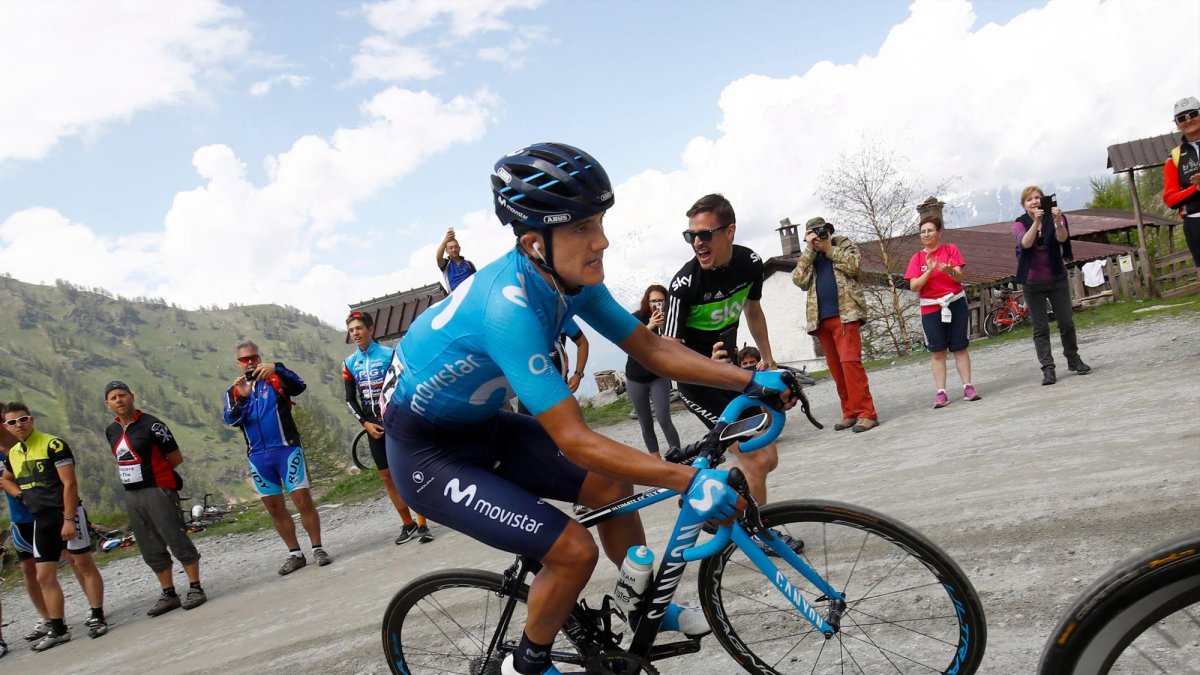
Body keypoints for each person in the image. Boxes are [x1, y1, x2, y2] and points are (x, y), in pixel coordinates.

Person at [382, 142, 798, 675]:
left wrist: (752, 377)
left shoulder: (566, 280)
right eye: (581, 228)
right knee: (573, 550)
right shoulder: (507, 308)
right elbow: (574, 438)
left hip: (481, 428)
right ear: (535, 243)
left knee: (609, 483)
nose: (601, 240)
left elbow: (651, 349)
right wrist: (685, 480)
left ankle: (639, 604)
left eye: (599, 221)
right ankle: (524, 665)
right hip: (429, 456)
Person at [665, 193, 787, 511]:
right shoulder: (684, 284)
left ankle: (715, 498)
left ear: (729, 231)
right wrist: (706, 364)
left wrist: (768, 360)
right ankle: (757, 531)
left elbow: (754, 311)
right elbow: (668, 354)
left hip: (731, 377)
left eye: (704, 234)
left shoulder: (750, 264)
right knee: (756, 459)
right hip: (698, 384)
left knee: (767, 456)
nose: (696, 243)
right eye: (690, 236)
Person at [0, 402, 108, 650]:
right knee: (44, 575)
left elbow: (69, 484)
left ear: (32, 419)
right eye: (12, 422)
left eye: (23, 419)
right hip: (41, 520)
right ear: (6, 425)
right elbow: (6, 479)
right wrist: (20, 497)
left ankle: (97, 615)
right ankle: (58, 628)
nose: (19, 425)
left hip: (66, 513)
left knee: (82, 564)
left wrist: (69, 519)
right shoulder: (14, 454)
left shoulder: (53, 444)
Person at [223, 341, 331, 574]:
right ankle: (295, 554)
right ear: (238, 363)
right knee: (275, 508)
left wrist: (278, 368)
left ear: (259, 357)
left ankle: (318, 548)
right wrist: (242, 398)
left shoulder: (274, 378)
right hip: (259, 458)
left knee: (303, 501)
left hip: (286, 450)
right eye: (244, 359)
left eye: (253, 357)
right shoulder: (233, 390)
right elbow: (231, 419)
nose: (249, 361)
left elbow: (300, 385)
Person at [102, 381, 206, 615]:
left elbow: (175, 457)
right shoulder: (112, 430)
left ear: (132, 396)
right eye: (113, 397)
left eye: (122, 395)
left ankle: (195, 587)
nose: (119, 400)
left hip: (158, 490)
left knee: (174, 536)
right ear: (107, 404)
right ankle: (168, 593)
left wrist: (158, 475)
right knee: (148, 544)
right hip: (132, 493)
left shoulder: (153, 425)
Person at [343, 311, 433, 545]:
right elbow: (349, 399)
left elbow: (405, 385)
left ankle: (423, 523)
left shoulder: (389, 354)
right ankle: (408, 524)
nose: (355, 333)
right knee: (387, 476)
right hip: (372, 425)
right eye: (352, 330)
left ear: (370, 329)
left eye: (359, 328)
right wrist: (365, 423)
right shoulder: (349, 363)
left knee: (409, 469)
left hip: (396, 419)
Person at [792, 217, 880, 433]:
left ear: (830, 231)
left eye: (822, 231)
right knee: (836, 368)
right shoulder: (810, 256)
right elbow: (798, 280)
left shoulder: (843, 245)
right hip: (820, 320)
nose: (819, 236)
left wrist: (828, 249)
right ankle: (850, 412)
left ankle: (867, 413)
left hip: (846, 315)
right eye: (813, 233)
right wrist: (810, 251)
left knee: (850, 363)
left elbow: (854, 267)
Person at [1013, 187, 1092, 385]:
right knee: (1040, 328)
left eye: (1037, 198)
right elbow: (1025, 243)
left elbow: (1062, 239)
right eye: (1029, 199)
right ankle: (1048, 369)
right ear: (1024, 205)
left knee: (1066, 322)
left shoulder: (1057, 217)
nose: (1035, 201)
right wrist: (1037, 222)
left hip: (1056, 278)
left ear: (1044, 200)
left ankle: (1073, 359)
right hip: (1032, 282)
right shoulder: (1019, 224)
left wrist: (1057, 221)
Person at [904, 216, 981, 408]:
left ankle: (968, 387)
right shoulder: (917, 258)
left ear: (939, 232)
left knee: (959, 347)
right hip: (931, 307)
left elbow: (959, 277)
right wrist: (929, 271)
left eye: (930, 230)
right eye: (923, 231)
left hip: (954, 302)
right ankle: (941, 392)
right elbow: (914, 286)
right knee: (938, 352)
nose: (926, 234)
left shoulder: (950, 250)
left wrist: (949, 271)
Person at [624, 285, 681, 460]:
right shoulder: (637, 318)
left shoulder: (671, 319)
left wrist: (664, 329)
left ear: (667, 302)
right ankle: (656, 460)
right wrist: (649, 326)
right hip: (636, 377)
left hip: (658, 375)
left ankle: (678, 456)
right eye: (653, 301)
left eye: (660, 301)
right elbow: (630, 344)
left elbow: (674, 347)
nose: (657, 305)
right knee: (645, 421)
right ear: (646, 302)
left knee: (664, 418)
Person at [1163, 95, 1200, 283]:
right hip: (1195, 221)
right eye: (1182, 118)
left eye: (1193, 114)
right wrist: (1196, 188)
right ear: (1177, 124)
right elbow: (1170, 199)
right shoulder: (1174, 156)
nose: (1188, 120)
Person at [436, 227, 478, 291]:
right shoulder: (446, 264)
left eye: (456, 247)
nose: (454, 249)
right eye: (451, 248)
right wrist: (445, 240)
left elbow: (477, 278)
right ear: (446, 251)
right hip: (458, 299)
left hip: (472, 293)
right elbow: (438, 258)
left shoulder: (469, 263)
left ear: (459, 248)